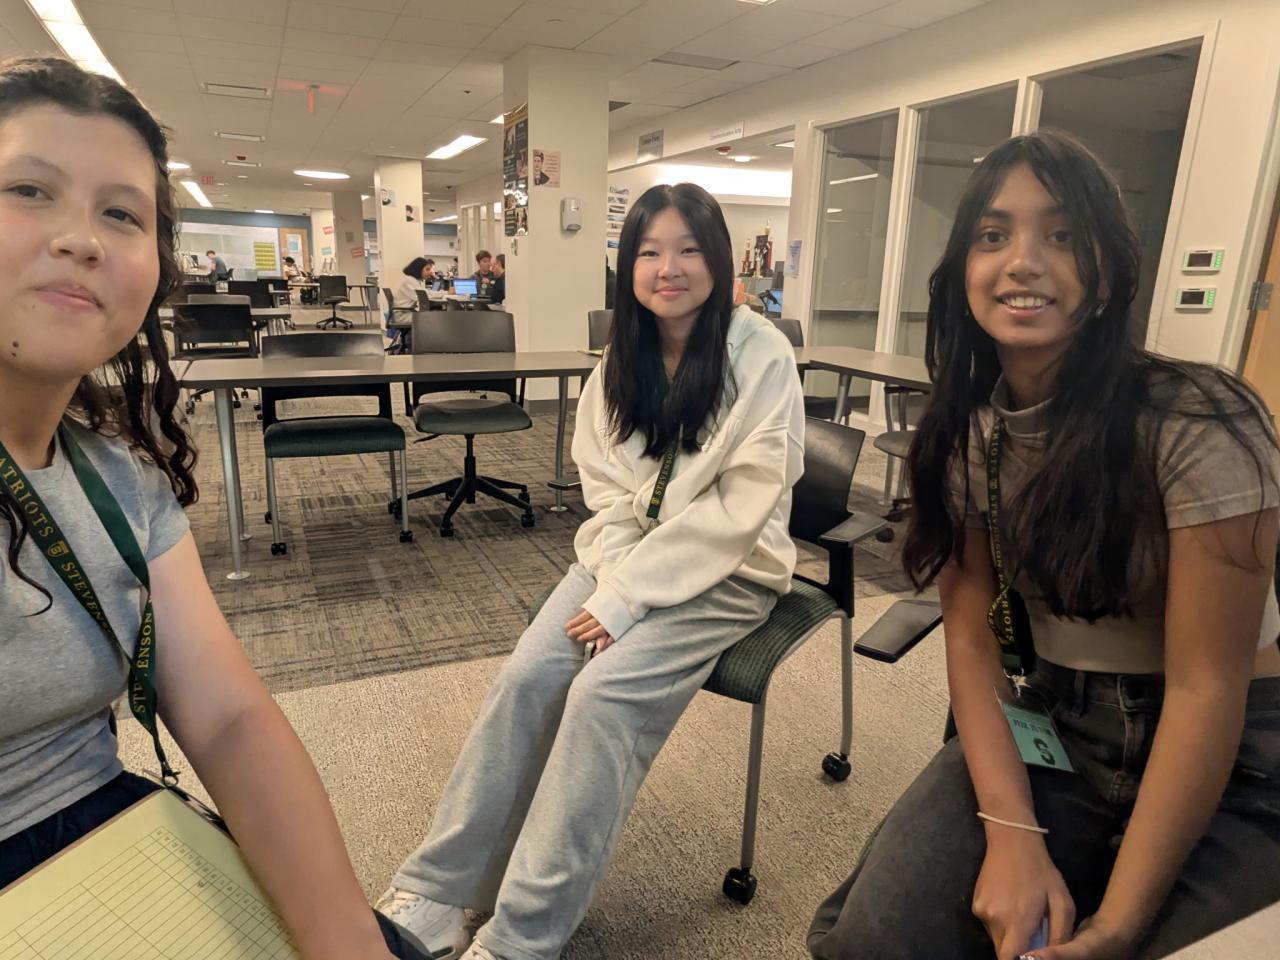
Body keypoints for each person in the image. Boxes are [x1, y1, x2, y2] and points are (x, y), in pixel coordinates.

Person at [807, 130, 1280, 960]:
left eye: (1062, 235)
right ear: (962, 270)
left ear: (1108, 275)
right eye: (993, 235)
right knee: (871, 942)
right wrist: (1013, 837)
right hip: (1059, 718)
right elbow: (972, 640)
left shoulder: (1198, 422)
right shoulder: (963, 434)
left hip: (1239, 752)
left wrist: (1119, 926)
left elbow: (1208, 688)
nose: (1023, 262)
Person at [0, 57, 430, 960]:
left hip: (99, 833)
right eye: (30, 190)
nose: (82, 239)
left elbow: (230, 718)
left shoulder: (121, 476)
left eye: (122, 214)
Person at [375, 182, 805, 960]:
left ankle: (523, 936)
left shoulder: (761, 354)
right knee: (528, 679)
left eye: (688, 250)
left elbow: (737, 514)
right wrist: (618, 583)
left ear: (718, 259)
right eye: (649, 252)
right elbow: (605, 495)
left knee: (601, 698)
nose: (668, 268)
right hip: (623, 555)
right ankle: (443, 888)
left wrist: (627, 599)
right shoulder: (618, 362)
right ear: (627, 265)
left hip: (732, 569)